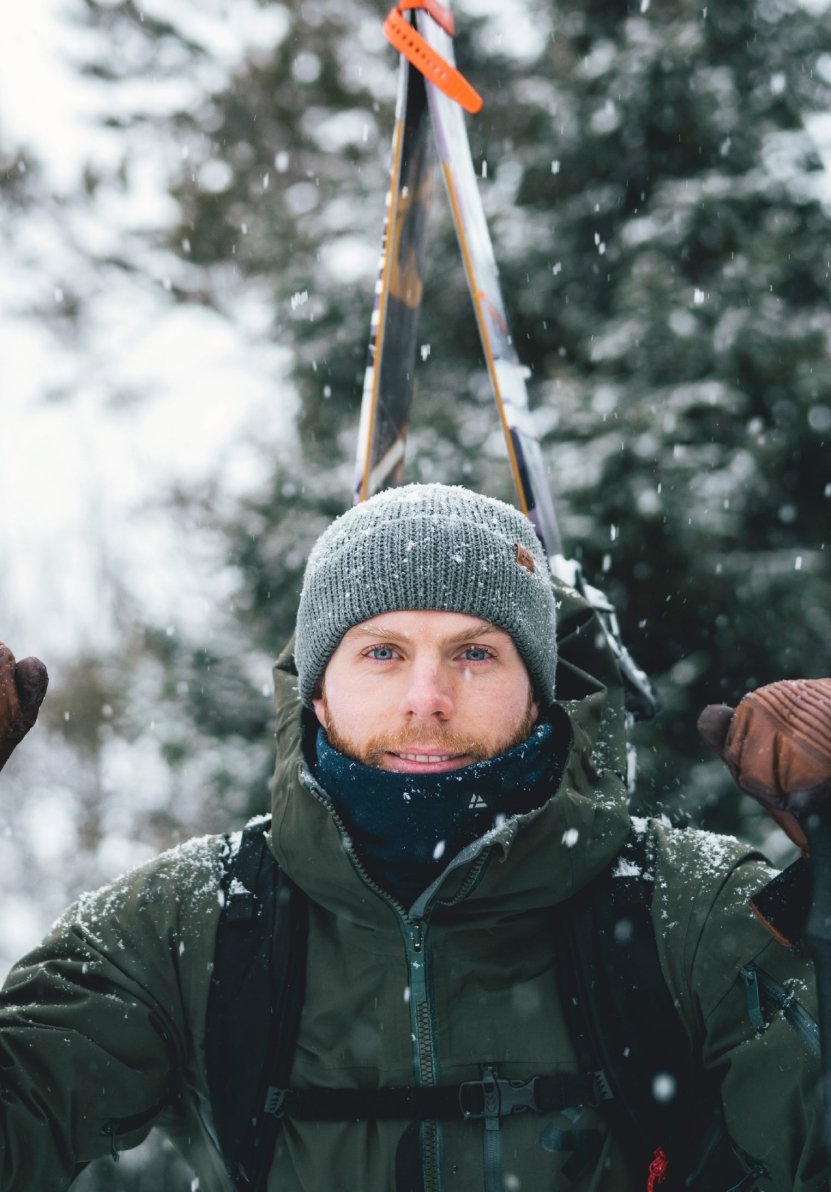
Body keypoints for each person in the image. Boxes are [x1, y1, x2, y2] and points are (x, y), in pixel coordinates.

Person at [0, 482, 827, 1192]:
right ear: (316, 694)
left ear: (539, 692)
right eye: (383, 652)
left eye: (474, 653)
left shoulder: (696, 909)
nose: (426, 697)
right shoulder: (184, 924)